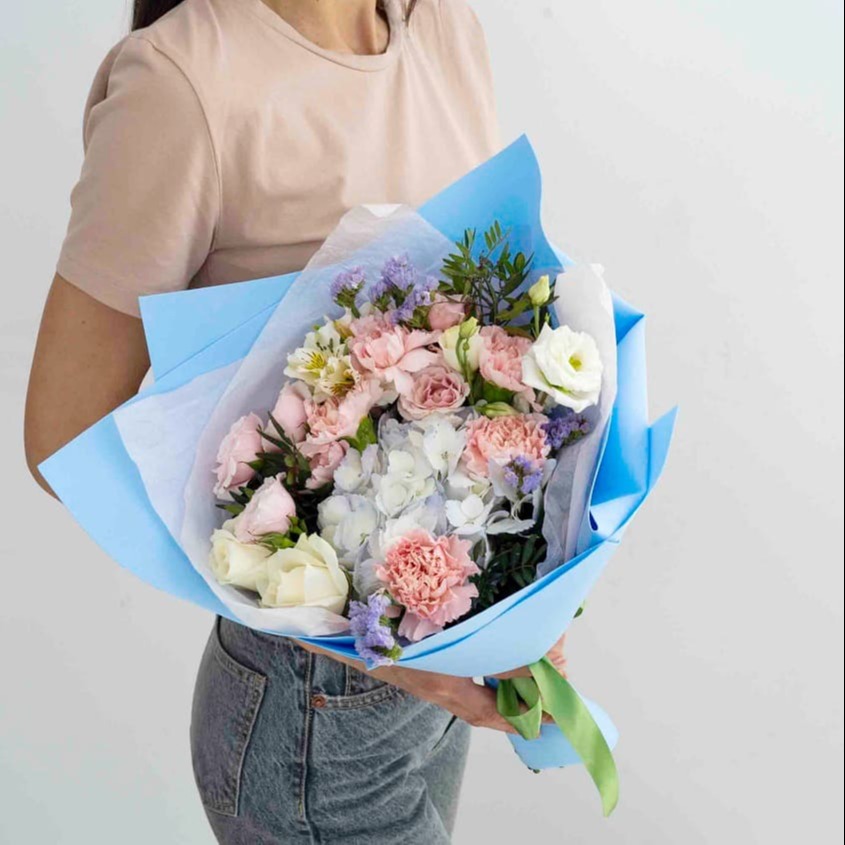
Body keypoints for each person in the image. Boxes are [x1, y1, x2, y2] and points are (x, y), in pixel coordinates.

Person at [25, 2, 565, 841]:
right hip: (315, 722)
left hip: (433, 686)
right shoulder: (181, 84)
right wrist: (359, 634)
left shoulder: (442, 27)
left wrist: (520, 594)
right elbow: (64, 439)